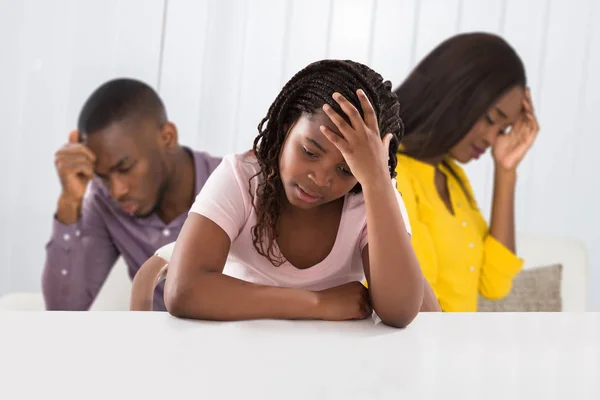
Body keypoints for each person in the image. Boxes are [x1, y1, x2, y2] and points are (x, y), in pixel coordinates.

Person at [162, 59, 441, 328]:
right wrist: (316, 303)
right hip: (242, 353)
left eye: (346, 170)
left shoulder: (373, 193)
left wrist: (377, 183)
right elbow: (183, 290)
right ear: (287, 126)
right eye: (309, 152)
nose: (320, 179)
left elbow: (400, 311)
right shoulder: (242, 177)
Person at [43, 78, 221, 311]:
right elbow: (64, 309)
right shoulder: (102, 202)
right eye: (102, 176)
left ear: (167, 137)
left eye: (125, 168)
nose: (117, 191)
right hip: (154, 343)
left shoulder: (235, 186)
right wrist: (69, 203)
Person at [393, 33, 539, 312]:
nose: (493, 139)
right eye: (491, 120)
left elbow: (494, 284)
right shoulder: (392, 172)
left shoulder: (451, 178)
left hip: (455, 350)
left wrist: (506, 172)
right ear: (455, 94)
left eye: (503, 130)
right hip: (419, 351)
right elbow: (412, 302)